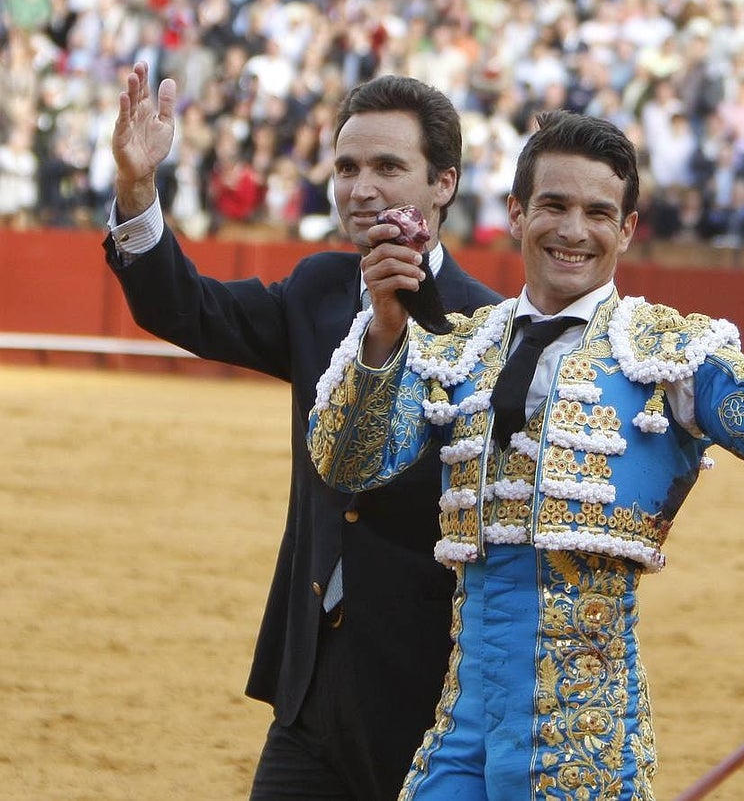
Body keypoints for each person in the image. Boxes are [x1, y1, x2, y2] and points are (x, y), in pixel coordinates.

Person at [305, 111, 744, 800]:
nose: (573, 230)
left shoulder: (670, 356)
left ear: (628, 228)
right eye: (553, 205)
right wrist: (385, 328)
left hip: (586, 743)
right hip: (461, 733)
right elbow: (346, 465)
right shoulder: (461, 350)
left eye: (598, 212)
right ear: (517, 214)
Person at [103, 62, 501, 799]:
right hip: (311, 688)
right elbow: (186, 309)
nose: (361, 187)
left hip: (432, 701)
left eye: (389, 166)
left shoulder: (491, 328)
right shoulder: (319, 289)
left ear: (443, 183)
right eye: (347, 167)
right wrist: (136, 189)